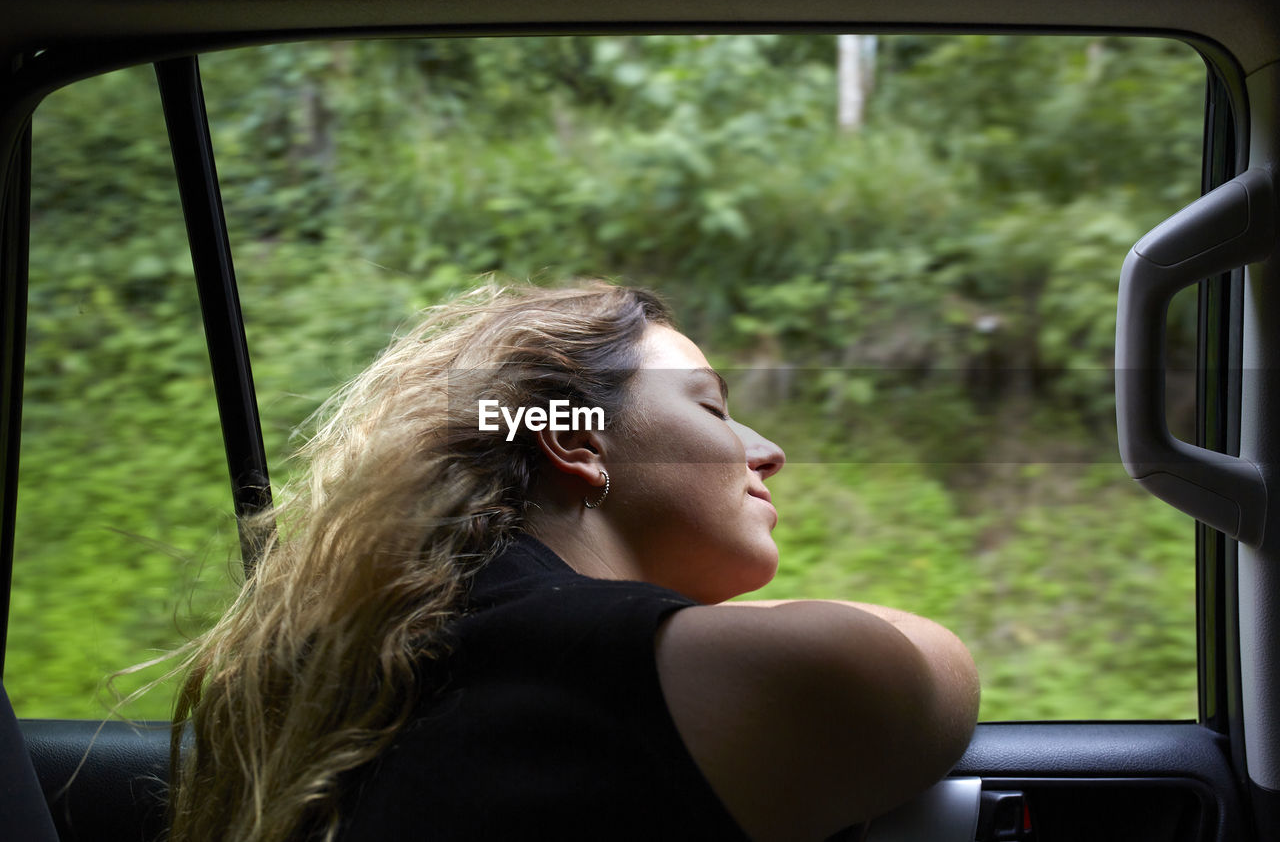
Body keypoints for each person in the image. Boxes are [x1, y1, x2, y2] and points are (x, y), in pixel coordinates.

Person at [163, 282, 980, 842]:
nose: (770, 452)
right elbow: (917, 668)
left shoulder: (412, 656)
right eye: (712, 407)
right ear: (576, 440)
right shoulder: (607, 668)